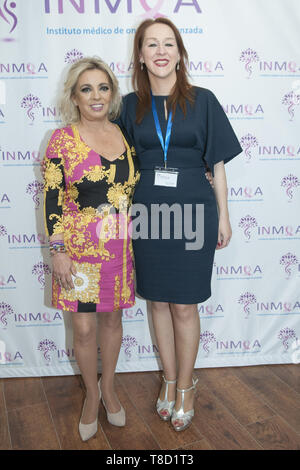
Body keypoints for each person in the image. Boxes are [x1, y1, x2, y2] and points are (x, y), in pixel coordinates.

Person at [117, 18, 242, 431]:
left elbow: (218, 164)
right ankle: (168, 381)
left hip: (193, 211)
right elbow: (116, 164)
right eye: (151, 44)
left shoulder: (202, 100)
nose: (160, 51)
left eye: (168, 43)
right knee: (157, 303)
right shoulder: (128, 106)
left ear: (180, 52)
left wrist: (223, 216)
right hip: (148, 213)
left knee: (185, 306)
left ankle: (187, 385)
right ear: (140, 54)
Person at [43, 57, 140, 441]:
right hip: (77, 251)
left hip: (118, 247)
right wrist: (58, 251)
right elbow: (51, 200)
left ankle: (110, 387)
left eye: (103, 88)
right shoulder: (61, 140)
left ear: (112, 94)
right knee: (83, 329)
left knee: (113, 322)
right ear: (75, 97)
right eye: (87, 89)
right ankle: (90, 395)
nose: (96, 96)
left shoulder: (124, 134)